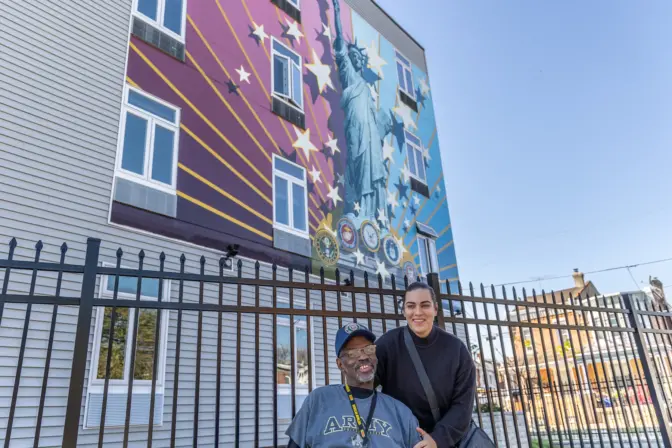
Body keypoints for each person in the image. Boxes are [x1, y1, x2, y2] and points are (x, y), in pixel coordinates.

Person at [286, 322, 423, 447]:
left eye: (369, 349)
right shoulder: (319, 400)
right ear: (340, 365)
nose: (363, 357)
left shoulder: (400, 412)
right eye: (352, 353)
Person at [376, 282, 477, 448]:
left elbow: (463, 406)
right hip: (397, 440)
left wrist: (436, 440)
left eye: (425, 305)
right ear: (404, 311)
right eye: (410, 306)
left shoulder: (456, 349)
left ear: (435, 309)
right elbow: (363, 388)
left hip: (442, 443)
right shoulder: (387, 345)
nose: (417, 312)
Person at [331, 0, 394, 222]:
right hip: (354, 128)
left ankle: (370, 212)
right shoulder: (348, 75)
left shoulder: (366, 88)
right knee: (357, 163)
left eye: (358, 57)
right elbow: (340, 48)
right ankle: (359, 209)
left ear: (362, 61)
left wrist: (385, 126)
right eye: (353, 56)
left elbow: (376, 120)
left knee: (371, 166)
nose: (355, 58)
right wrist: (337, 14)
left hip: (369, 133)